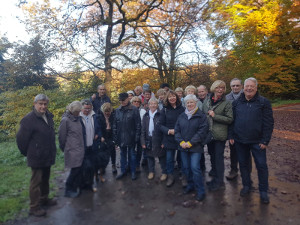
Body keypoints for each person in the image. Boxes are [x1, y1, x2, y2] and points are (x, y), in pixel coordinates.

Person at [229, 77, 274, 204]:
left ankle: (263, 191)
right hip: (240, 140)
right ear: (243, 87)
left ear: (256, 87)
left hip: (257, 142)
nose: (249, 88)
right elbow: (232, 121)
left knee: (261, 166)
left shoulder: (263, 102)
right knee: (243, 165)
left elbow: (268, 123)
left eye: (251, 86)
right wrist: (231, 135)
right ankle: (246, 185)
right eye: (247, 86)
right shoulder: (237, 103)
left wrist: (265, 140)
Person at [16, 94, 57, 217]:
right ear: (35, 104)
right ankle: (34, 207)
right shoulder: (28, 119)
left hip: (47, 154)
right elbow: (21, 140)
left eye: (45, 104)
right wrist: (29, 152)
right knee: (36, 183)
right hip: (36, 156)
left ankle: (44, 199)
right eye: (40, 104)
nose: (43, 106)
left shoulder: (48, 116)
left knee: (45, 179)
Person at [175, 94, 209, 201]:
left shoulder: (201, 116)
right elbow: (177, 130)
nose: (189, 104)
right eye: (187, 102)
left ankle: (200, 190)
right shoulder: (181, 116)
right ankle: (190, 186)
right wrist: (181, 142)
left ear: (196, 103)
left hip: (196, 147)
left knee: (195, 168)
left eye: (191, 102)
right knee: (186, 168)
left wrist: (190, 143)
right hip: (183, 147)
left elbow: (202, 132)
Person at [203, 80, 233, 191]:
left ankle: (220, 183)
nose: (220, 90)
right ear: (213, 88)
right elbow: (203, 114)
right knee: (212, 156)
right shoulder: (207, 100)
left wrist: (215, 116)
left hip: (219, 135)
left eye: (222, 88)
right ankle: (215, 179)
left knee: (219, 158)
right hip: (209, 134)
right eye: (218, 87)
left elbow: (230, 119)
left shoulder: (227, 103)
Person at [58, 101, 85, 198]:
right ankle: (68, 189)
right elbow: (61, 137)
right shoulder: (65, 120)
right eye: (77, 111)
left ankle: (75, 188)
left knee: (78, 169)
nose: (79, 113)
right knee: (75, 170)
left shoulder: (77, 119)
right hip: (72, 149)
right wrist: (64, 148)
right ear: (73, 111)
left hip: (79, 148)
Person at [159, 90, 185, 187]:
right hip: (169, 138)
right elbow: (160, 125)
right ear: (167, 99)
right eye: (170, 97)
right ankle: (170, 176)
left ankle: (183, 175)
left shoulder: (182, 109)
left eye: (174, 96)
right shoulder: (164, 110)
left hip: (180, 137)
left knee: (182, 158)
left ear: (177, 98)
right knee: (169, 159)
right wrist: (169, 131)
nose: (172, 98)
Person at [113, 93, 141, 180]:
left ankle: (133, 172)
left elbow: (138, 125)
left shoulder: (134, 109)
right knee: (122, 154)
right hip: (121, 136)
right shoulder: (117, 110)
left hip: (131, 136)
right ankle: (123, 171)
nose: (122, 102)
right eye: (120, 100)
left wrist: (137, 136)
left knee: (132, 154)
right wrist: (115, 137)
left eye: (123, 100)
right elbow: (114, 125)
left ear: (128, 99)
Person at [141, 98, 166, 180]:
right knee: (149, 156)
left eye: (155, 104)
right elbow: (143, 129)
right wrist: (143, 141)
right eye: (151, 104)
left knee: (161, 156)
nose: (153, 105)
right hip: (149, 138)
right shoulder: (146, 115)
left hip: (158, 138)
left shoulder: (161, 115)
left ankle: (164, 172)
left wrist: (163, 141)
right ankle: (151, 171)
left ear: (157, 105)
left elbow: (164, 129)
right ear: (148, 105)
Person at [79, 100, 102, 191]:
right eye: (85, 108)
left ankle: (90, 184)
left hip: (93, 145)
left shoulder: (95, 116)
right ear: (81, 108)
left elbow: (99, 128)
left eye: (89, 108)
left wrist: (98, 134)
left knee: (91, 166)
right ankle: (81, 184)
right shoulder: (78, 117)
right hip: (82, 146)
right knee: (83, 166)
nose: (87, 110)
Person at [225, 78, 244, 180]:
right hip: (233, 128)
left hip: (245, 129)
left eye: (237, 85)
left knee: (246, 152)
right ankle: (233, 170)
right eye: (233, 86)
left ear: (241, 86)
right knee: (233, 151)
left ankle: (246, 174)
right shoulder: (227, 98)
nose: (235, 87)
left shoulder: (247, 95)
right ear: (230, 87)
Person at [98, 102, 117, 174]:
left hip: (111, 135)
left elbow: (116, 127)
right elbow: (98, 128)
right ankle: (102, 167)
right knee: (102, 152)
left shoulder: (114, 116)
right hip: (103, 136)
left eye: (108, 112)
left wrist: (115, 140)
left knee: (112, 151)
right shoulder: (99, 117)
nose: (107, 113)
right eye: (105, 112)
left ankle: (113, 165)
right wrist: (101, 136)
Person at [130, 96, 146, 172]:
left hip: (141, 133)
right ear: (132, 103)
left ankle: (137, 165)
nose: (136, 103)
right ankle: (131, 164)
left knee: (139, 150)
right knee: (131, 150)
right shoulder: (129, 110)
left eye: (138, 102)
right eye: (134, 101)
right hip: (131, 133)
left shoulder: (143, 111)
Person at [197, 84, 209, 171]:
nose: (201, 93)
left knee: (212, 151)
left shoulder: (211, 100)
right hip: (199, 129)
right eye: (199, 92)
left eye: (202, 91)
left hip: (210, 128)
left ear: (206, 91)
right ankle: (202, 167)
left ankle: (214, 170)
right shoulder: (196, 101)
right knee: (199, 148)